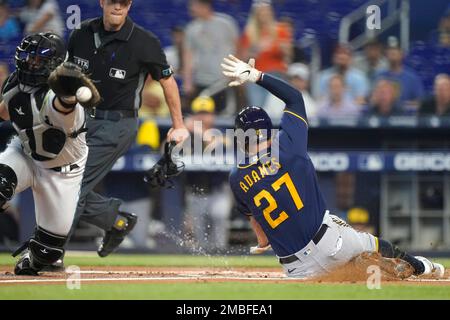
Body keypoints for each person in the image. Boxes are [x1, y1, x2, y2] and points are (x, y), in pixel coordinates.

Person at [221, 54, 445, 279]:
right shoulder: (287, 142)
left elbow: (263, 240)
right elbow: (295, 98)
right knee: (372, 243)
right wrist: (258, 76)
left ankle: (362, 267)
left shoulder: (236, 176)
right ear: (269, 127)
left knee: (341, 242)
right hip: (331, 243)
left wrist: (265, 240)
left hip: (298, 270)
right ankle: (424, 268)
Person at [65, 0, 188, 261]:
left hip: (117, 124)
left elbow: (168, 82)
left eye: (124, 2)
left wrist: (179, 125)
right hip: (79, 121)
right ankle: (116, 221)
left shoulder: (144, 41)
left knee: (71, 185)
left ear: (130, 5)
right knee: (57, 182)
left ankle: (50, 252)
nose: (118, 7)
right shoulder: (81, 34)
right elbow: (64, 76)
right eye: (113, 1)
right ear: (102, 2)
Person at [0, 32, 100, 275]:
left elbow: (60, 109)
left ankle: (36, 255)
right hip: (24, 155)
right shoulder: (14, 83)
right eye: (28, 58)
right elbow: (5, 110)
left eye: (38, 60)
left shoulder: (63, 99)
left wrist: (68, 96)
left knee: (47, 254)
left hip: (62, 174)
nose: (30, 63)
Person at [183, 0, 239, 114]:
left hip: (224, 82)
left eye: (194, 5)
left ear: (204, 5)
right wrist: (187, 82)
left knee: (225, 116)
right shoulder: (191, 28)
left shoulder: (226, 23)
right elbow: (188, 57)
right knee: (202, 116)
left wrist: (236, 71)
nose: (191, 8)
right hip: (201, 81)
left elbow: (237, 48)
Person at [239, 0, 292, 107]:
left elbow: (289, 54)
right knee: (259, 107)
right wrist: (255, 50)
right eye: (261, 12)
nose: (263, 14)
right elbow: (243, 58)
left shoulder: (281, 30)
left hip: (276, 74)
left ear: (270, 12)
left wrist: (280, 46)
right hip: (256, 76)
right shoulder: (249, 33)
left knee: (276, 107)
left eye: (265, 11)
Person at [375, 36, 424, 109]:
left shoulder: (412, 77)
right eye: (390, 50)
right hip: (383, 116)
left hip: (405, 117)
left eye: (396, 50)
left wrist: (407, 106)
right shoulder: (379, 76)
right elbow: (373, 100)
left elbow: (419, 101)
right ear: (386, 55)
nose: (392, 52)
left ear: (402, 54)